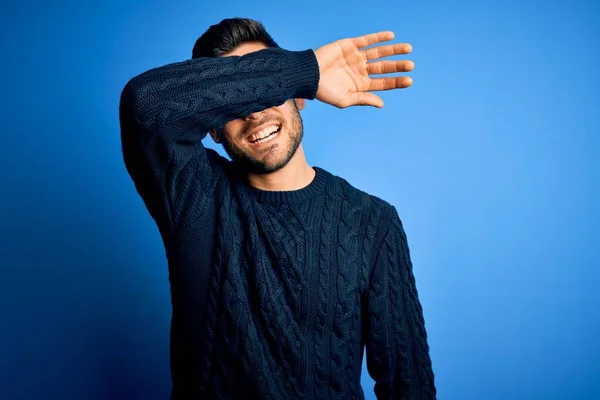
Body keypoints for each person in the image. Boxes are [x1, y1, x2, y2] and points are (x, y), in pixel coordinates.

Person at [119, 17, 436, 400]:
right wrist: (307, 69)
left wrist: (294, 78)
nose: (254, 113)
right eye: (239, 100)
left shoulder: (372, 222)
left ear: (299, 96)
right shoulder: (194, 197)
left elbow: (410, 387)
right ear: (213, 129)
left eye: (266, 91)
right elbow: (145, 104)